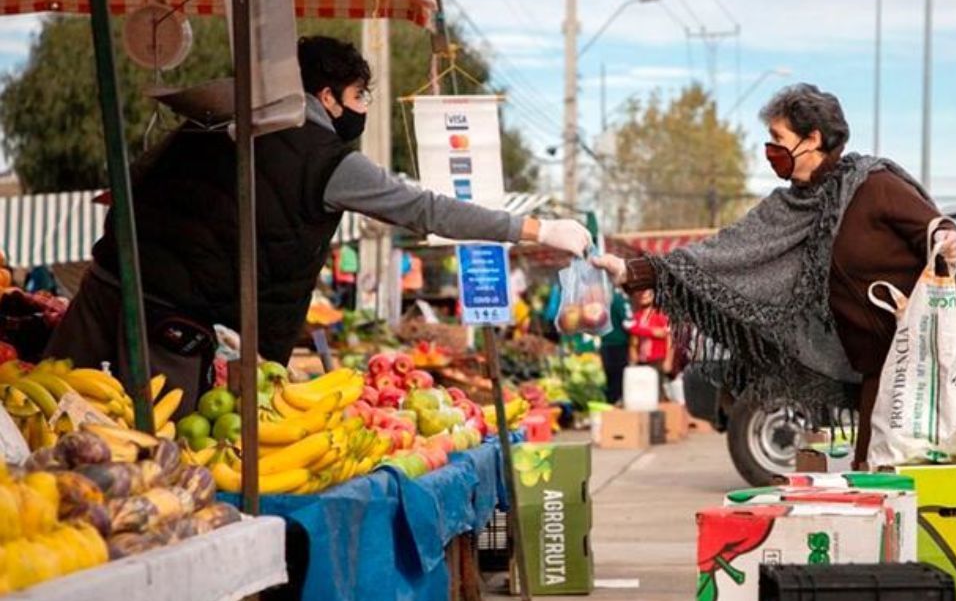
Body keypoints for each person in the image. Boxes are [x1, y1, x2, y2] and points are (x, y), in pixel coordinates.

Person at [591, 82, 956, 601]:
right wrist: (639, 271)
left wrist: (947, 240)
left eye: (777, 138)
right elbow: (724, 256)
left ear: (813, 138)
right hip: (876, 374)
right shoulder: (789, 207)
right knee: (878, 481)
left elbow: (933, 224)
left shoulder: (874, 186)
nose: (770, 151)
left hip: (937, 359)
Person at [45, 36, 590, 411]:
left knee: (50, 412)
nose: (360, 109)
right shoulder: (324, 160)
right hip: (174, 321)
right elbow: (424, 209)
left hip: (107, 281)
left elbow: (130, 180)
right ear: (326, 98)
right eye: (357, 96)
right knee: (159, 445)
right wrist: (536, 230)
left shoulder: (214, 118)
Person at [599, 290, 633, 403]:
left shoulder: (604, 297)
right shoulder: (619, 299)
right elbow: (628, 323)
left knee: (610, 379)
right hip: (619, 344)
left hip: (605, 343)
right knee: (619, 379)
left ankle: (610, 404)